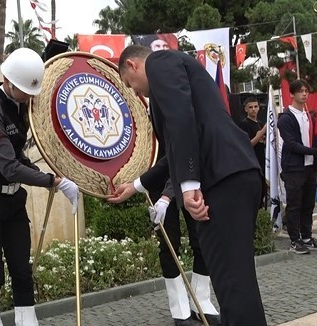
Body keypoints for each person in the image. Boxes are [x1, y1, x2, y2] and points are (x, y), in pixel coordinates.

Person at [109, 45, 267, 326]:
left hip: (219, 180)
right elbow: (177, 149)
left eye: (129, 83)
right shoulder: (183, 73)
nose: (135, 91)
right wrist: (136, 185)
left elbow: (182, 121)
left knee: (231, 282)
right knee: (238, 280)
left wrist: (190, 183)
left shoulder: (159, 61)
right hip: (234, 173)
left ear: (133, 65)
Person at [0, 48, 79, 326]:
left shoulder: (18, 107)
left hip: (13, 201)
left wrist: (47, 173)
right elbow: (9, 167)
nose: (31, 97)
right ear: (7, 82)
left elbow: (20, 156)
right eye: (26, 91)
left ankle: (28, 322)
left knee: (21, 270)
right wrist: (54, 182)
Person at [139, 141, 221, 326]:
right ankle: (180, 309)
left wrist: (169, 194)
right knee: (169, 245)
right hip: (157, 184)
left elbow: (180, 153)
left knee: (202, 240)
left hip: (187, 181)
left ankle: (201, 301)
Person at [277, 79, 317, 254]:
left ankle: (307, 236)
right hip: (294, 168)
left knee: (308, 204)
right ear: (292, 94)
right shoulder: (285, 118)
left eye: (306, 90)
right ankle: (294, 240)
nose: (304, 94)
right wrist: (316, 151)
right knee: (294, 205)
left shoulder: (309, 115)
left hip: (310, 167)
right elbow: (291, 144)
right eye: (300, 91)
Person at [238, 97, 267, 208]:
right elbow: (247, 145)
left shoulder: (260, 123)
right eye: (250, 107)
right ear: (246, 109)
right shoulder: (244, 124)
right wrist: (261, 133)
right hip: (253, 162)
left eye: (255, 107)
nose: (253, 109)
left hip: (263, 160)